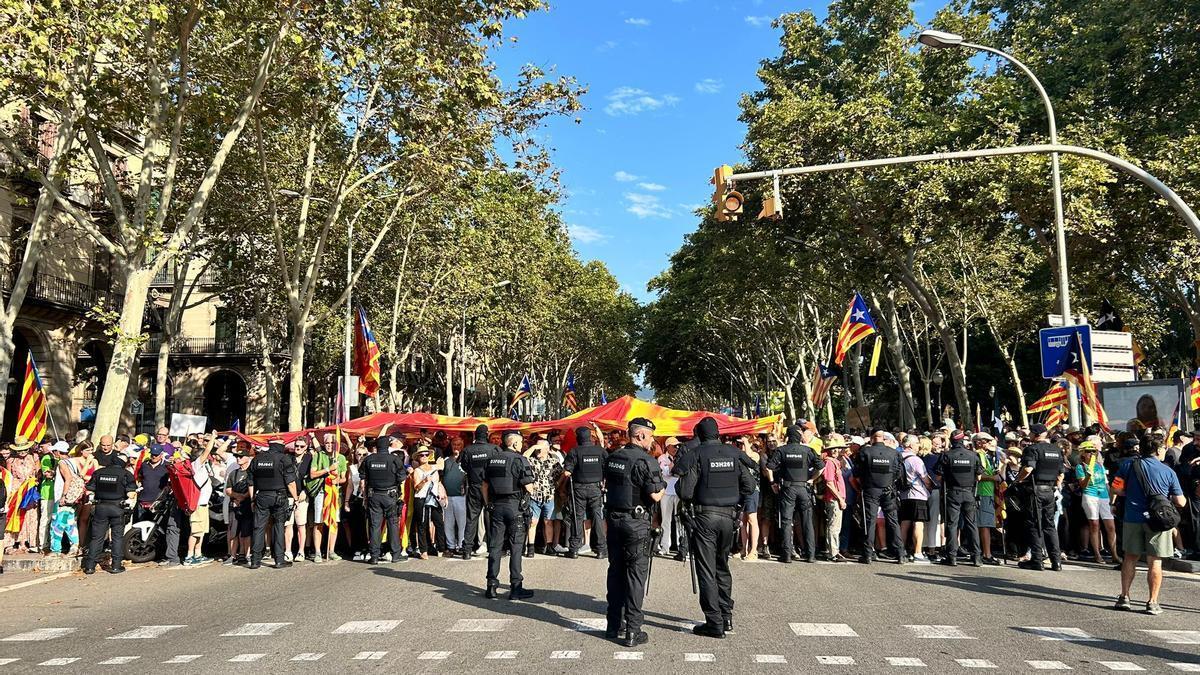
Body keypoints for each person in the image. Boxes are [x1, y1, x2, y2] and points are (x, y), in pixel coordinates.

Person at [674, 417, 754, 639]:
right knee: (722, 566)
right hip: (729, 518)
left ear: (699, 434)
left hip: (705, 517)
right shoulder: (733, 454)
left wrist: (683, 485)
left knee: (707, 570)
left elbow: (687, 492)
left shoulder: (697, 455)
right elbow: (750, 485)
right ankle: (726, 615)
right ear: (718, 433)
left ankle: (714, 622)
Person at [603, 418, 666, 647]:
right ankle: (632, 630)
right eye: (650, 437)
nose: (651, 442)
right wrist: (665, 485)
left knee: (616, 572)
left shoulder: (613, 458)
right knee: (636, 577)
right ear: (640, 436)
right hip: (636, 523)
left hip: (614, 521)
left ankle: (612, 625)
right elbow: (655, 495)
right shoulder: (645, 461)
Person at [1113, 437, 1187, 614]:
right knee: (1155, 561)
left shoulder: (1127, 465)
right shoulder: (1168, 471)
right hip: (1157, 521)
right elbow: (1181, 502)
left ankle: (1125, 596)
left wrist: (1129, 494)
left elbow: (1116, 488)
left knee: (1130, 557)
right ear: (1158, 450)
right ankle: (1152, 602)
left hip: (1132, 518)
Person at [483, 430, 535, 600]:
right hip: (515, 507)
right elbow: (528, 486)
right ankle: (515, 587)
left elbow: (484, 485)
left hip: (496, 506)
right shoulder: (519, 459)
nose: (521, 446)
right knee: (516, 547)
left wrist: (488, 503)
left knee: (495, 547)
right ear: (514, 444)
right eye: (520, 443)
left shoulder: (491, 460)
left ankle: (491, 586)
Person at [765, 421, 823, 563]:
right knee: (807, 522)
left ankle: (786, 555)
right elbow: (821, 467)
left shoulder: (782, 450)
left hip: (788, 489)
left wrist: (773, 483)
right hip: (804, 488)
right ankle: (810, 555)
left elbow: (769, 467)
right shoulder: (808, 450)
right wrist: (811, 480)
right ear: (799, 435)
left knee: (786, 521)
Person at [1018, 424, 1065, 571]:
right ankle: (1056, 561)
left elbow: (1028, 469)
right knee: (1049, 525)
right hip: (1050, 491)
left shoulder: (1032, 449)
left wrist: (1017, 480)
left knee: (1035, 524)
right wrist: (1056, 486)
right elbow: (1061, 474)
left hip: (1035, 490)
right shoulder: (1057, 450)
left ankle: (1037, 560)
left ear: (1035, 434)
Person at [852, 431, 904, 564]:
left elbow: (857, 472)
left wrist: (865, 483)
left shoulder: (865, 452)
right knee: (893, 521)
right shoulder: (894, 453)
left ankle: (868, 554)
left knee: (870, 521)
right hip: (889, 490)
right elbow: (899, 473)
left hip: (871, 490)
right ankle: (900, 554)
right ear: (883, 438)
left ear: (871, 438)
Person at [81, 453, 137, 574]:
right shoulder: (126, 474)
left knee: (97, 537)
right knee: (117, 538)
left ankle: (90, 566)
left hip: (100, 507)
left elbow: (89, 490)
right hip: (118, 508)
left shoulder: (99, 472)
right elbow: (131, 494)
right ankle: (116, 566)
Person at [248, 439, 299, 569]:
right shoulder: (283, 459)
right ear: (281, 446)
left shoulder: (257, 459)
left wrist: (252, 499)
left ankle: (255, 561)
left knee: (258, 528)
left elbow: (251, 482)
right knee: (278, 526)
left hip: (261, 496)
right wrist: (296, 498)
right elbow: (291, 482)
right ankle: (279, 560)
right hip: (279, 497)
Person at [937, 431, 982, 567]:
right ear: (963, 440)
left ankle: (952, 556)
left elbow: (939, 477)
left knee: (952, 524)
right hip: (969, 492)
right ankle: (976, 557)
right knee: (972, 525)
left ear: (951, 440)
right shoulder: (974, 455)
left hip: (953, 492)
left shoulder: (946, 455)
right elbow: (979, 476)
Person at [359, 435, 407, 565]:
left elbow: (362, 476)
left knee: (375, 526)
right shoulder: (394, 459)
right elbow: (402, 477)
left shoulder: (368, 459)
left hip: (373, 495)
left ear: (376, 446)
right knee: (392, 524)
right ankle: (395, 554)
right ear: (387, 446)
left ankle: (374, 556)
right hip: (390, 495)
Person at [562, 426, 607, 559]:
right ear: (590, 437)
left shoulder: (574, 451)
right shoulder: (600, 450)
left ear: (578, 438)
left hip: (579, 489)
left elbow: (566, 472)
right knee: (597, 517)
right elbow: (607, 467)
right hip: (596, 488)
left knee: (577, 517)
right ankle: (601, 549)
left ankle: (574, 549)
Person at [1075, 440, 1117, 566]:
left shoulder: (1099, 465)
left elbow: (1106, 483)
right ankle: (1097, 554)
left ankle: (1115, 554)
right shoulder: (1080, 467)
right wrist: (1088, 475)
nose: (1091, 454)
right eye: (1089, 452)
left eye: (1094, 451)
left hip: (1103, 496)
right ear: (1083, 453)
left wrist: (1112, 500)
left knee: (1110, 526)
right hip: (1090, 495)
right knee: (1094, 524)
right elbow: (1083, 485)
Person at [461, 425, 499, 560]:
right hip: (489, 488)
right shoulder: (493, 449)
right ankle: (492, 549)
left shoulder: (467, 450)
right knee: (491, 519)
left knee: (471, 519)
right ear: (487, 434)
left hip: (473, 487)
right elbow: (498, 465)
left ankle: (466, 550)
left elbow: (464, 466)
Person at [524, 437, 562, 557]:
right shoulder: (532, 460)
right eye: (537, 448)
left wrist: (558, 484)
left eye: (541, 448)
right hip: (535, 496)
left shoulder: (553, 462)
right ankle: (530, 547)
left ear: (547, 448)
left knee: (548, 522)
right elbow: (523, 458)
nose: (538, 450)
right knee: (533, 522)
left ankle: (549, 546)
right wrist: (534, 447)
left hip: (549, 496)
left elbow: (562, 474)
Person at [898, 434, 932, 562]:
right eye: (917, 443)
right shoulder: (916, 460)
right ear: (911, 445)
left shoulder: (899, 457)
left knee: (905, 522)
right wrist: (930, 487)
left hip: (904, 494)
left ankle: (901, 550)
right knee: (918, 523)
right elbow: (926, 479)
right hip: (918, 494)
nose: (919, 445)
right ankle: (918, 552)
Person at [972, 433, 1001, 564]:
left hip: (988, 492)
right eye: (987, 441)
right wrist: (993, 477)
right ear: (979, 442)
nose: (990, 443)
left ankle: (984, 552)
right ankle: (986, 554)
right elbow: (979, 475)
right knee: (984, 525)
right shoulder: (979, 455)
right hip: (982, 492)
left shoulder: (985, 456)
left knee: (986, 524)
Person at [819, 435, 849, 562]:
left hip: (835, 498)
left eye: (838, 448)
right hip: (834, 499)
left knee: (833, 525)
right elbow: (829, 482)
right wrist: (840, 499)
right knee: (834, 526)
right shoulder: (830, 463)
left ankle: (831, 550)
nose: (836, 450)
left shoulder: (834, 462)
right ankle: (833, 552)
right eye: (834, 448)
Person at [224, 449, 253, 565]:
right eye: (237, 456)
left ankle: (247, 555)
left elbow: (252, 488)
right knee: (233, 532)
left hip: (246, 505)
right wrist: (237, 496)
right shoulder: (233, 473)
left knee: (246, 532)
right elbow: (228, 490)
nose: (238, 458)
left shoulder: (251, 472)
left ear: (247, 458)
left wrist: (243, 497)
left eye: (241, 456)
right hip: (234, 505)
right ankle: (232, 555)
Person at [441, 437, 468, 557]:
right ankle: (451, 546)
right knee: (448, 523)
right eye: (454, 445)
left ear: (462, 446)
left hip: (461, 497)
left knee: (462, 523)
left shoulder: (466, 460)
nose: (456, 447)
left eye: (459, 444)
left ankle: (461, 545)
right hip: (447, 496)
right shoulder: (446, 461)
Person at [657, 438, 684, 559]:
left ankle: (680, 547)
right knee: (666, 520)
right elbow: (667, 472)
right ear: (668, 447)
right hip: (666, 493)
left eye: (678, 446)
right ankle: (665, 546)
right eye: (674, 446)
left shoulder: (681, 457)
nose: (676, 448)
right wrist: (674, 463)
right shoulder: (662, 458)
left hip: (678, 493)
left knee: (679, 520)